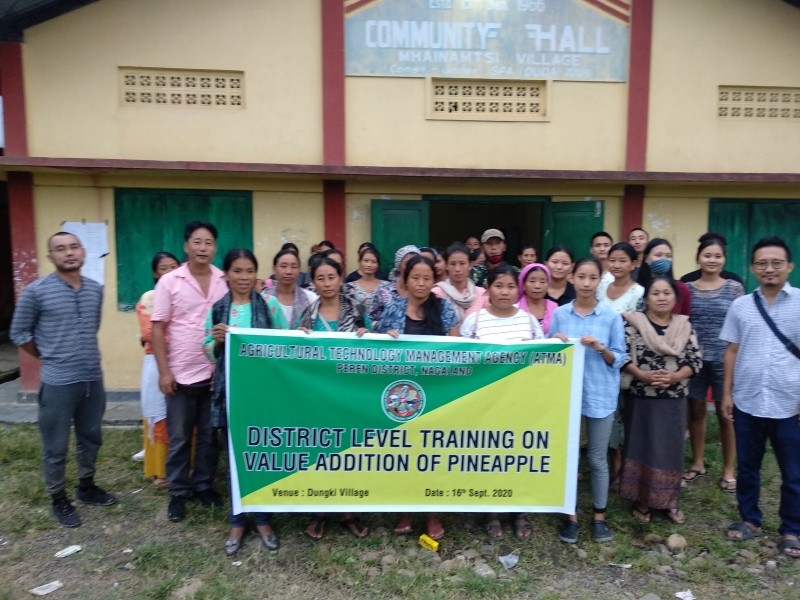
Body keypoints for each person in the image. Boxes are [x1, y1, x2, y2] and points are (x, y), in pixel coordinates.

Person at [10, 231, 117, 528]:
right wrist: (49, 355)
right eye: (60, 249)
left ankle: (86, 487)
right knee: (55, 445)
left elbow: (90, 327)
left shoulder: (95, 289)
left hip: (92, 378)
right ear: (51, 257)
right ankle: (58, 498)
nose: (68, 253)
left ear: (83, 252)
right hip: (58, 381)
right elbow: (19, 333)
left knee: (91, 436)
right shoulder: (37, 291)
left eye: (74, 247)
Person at [720, 236, 800, 559]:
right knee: (748, 466)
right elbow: (731, 350)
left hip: (790, 402)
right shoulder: (741, 306)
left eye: (776, 263)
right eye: (762, 263)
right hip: (748, 399)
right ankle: (750, 519)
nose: (769, 269)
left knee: (793, 471)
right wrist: (725, 393)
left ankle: (792, 528)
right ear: (753, 268)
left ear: (789, 266)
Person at [204, 249, 287, 555]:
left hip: (263, 394)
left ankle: (264, 519)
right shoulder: (217, 310)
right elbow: (206, 350)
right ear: (226, 275)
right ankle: (237, 520)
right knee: (234, 456)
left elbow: (284, 343)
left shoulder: (270, 305)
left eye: (249, 270)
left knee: (261, 453)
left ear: (257, 274)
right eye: (237, 271)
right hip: (230, 395)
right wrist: (217, 341)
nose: (243, 277)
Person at [151, 221, 229, 522]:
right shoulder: (170, 282)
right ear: (186, 246)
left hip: (216, 373)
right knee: (181, 436)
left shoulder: (224, 280)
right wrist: (163, 371)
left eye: (208, 242)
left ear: (215, 247)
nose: (202, 248)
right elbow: (158, 328)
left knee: (210, 435)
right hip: (181, 372)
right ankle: (179, 491)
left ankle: (204, 484)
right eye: (197, 242)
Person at [377, 255, 459, 540]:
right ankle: (404, 511)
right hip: (401, 397)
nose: (421, 283)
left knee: (432, 457)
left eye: (426, 278)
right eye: (415, 277)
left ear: (433, 281)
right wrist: (383, 337)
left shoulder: (444, 309)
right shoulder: (393, 309)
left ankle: (433, 513)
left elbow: (458, 350)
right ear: (405, 280)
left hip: (436, 394)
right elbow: (375, 349)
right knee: (403, 456)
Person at [460, 266, 543, 540]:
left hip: (520, 403)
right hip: (485, 404)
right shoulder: (474, 322)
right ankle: (491, 510)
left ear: (517, 290)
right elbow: (463, 363)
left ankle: (519, 510)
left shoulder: (529, 322)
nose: (504, 291)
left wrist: (560, 344)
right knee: (488, 456)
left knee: (517, 456)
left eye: (510, 286)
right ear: (489, 290)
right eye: (498, 285)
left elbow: (545, 362)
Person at [549, 257, 626, 544]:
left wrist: (600, 347)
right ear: (571, 278)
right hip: (567, 397)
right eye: (581, 276)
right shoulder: (560, 314)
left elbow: (619, 358)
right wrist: (554, 340)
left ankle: (599, 516)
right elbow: (547, 355)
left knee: (596, 458)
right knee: (568, 457)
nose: (585, 283)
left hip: (600, 394)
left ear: (599, 281)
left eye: (592, 278)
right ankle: (570, 516)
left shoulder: (610, 316)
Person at [296, 256, 370, 540]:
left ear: (341, 278)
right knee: (321, 450)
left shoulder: (355, 307)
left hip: (350, 392)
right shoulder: (309, 312)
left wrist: (366, 333)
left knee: (349, 451)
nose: (327, 284)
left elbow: (370, 342)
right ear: (313, 282)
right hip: (319, 393)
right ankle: (320, 512)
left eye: (332, 277)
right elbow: (298, 354)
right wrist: (299, 338)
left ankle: (348, 512)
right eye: (321, 278)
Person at [620, 277, 702, 525]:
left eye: (667, 293)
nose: (662, 297)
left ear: (675, 299)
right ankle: (642, 500)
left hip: (673, 399)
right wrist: (642, 375)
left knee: (670, 449)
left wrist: (675, 377)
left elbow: (695, 361)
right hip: (640, 397)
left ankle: (669, 501)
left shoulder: (684, 326)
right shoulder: (633, 323)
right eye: (656, 293)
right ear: (648, 298)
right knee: (641, 446)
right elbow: (622, 355)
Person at [683, 236, 744, 491]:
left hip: (724, 360)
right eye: (707, 255)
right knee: (695, 411)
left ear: (724, 259)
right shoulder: (686, 286)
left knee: (725, 414)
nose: (712, 260)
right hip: (694, 360)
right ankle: (697, 463)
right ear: (699, 258)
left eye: (717, 256)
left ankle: (729, 469)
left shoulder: (734, 288)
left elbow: (742, 326)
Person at [595, 242, 645, 484]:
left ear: (634, 263)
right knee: (611, 414)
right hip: (601, 358)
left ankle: (628, 466)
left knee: (627, 414)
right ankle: (615, 464)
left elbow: (643, 330)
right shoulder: (601, 287)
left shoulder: (639, 293)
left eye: (623, 260)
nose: (616, 265)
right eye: (612, 260)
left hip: (630, 362)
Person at [136, 251, 180, 487]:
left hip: (184, 363)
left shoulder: (185, 295)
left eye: (174, 267)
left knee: (182, 419)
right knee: (161, 414)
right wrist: (183, 335)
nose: (171, 272)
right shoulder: (150, 297)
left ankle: (185, 467)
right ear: (156, 272)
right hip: (157, 363)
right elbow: (148, 333)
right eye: (165, 268)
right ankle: (161, 471)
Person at [432, 242, 487, 325]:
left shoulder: (481, 294)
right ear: (446, 266)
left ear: (470, 265)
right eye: (453, 264)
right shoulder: (436, 293)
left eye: (462, 263)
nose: (457, 269)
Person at [263, 248, 317, 326]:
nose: (288, 271)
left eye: (294, 267)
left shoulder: (310, 298)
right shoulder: (265, 298)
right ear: (274, 269)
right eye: (283, 266)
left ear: (299, 270)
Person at [636, 238, 691, 316]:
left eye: (668, 256)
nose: (664, 259)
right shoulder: (636, 288)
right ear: (646, 258)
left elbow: (685, 317)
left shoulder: (681, 288)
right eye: (658, 255)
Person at [369, 245, 420, 326]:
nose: (411, 267)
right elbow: (371, 321)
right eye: (407, 263)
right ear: (398, 266)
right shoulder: (383, 292)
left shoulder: (421, 292)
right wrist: (385, 327)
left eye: (415, 263)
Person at [346, 245, 389, 329]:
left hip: (381, 332)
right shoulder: (350, 287)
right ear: (360, 262)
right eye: (366, 261)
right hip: (358, 333)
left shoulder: (387, 287)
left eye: (373, 262)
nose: (369, 265)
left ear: (378, 265)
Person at [517, 263, 557, 335]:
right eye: (532, 281)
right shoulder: (515, 309)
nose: (537, 286)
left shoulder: (555, 309)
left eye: (542, 282)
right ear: (523, 285)